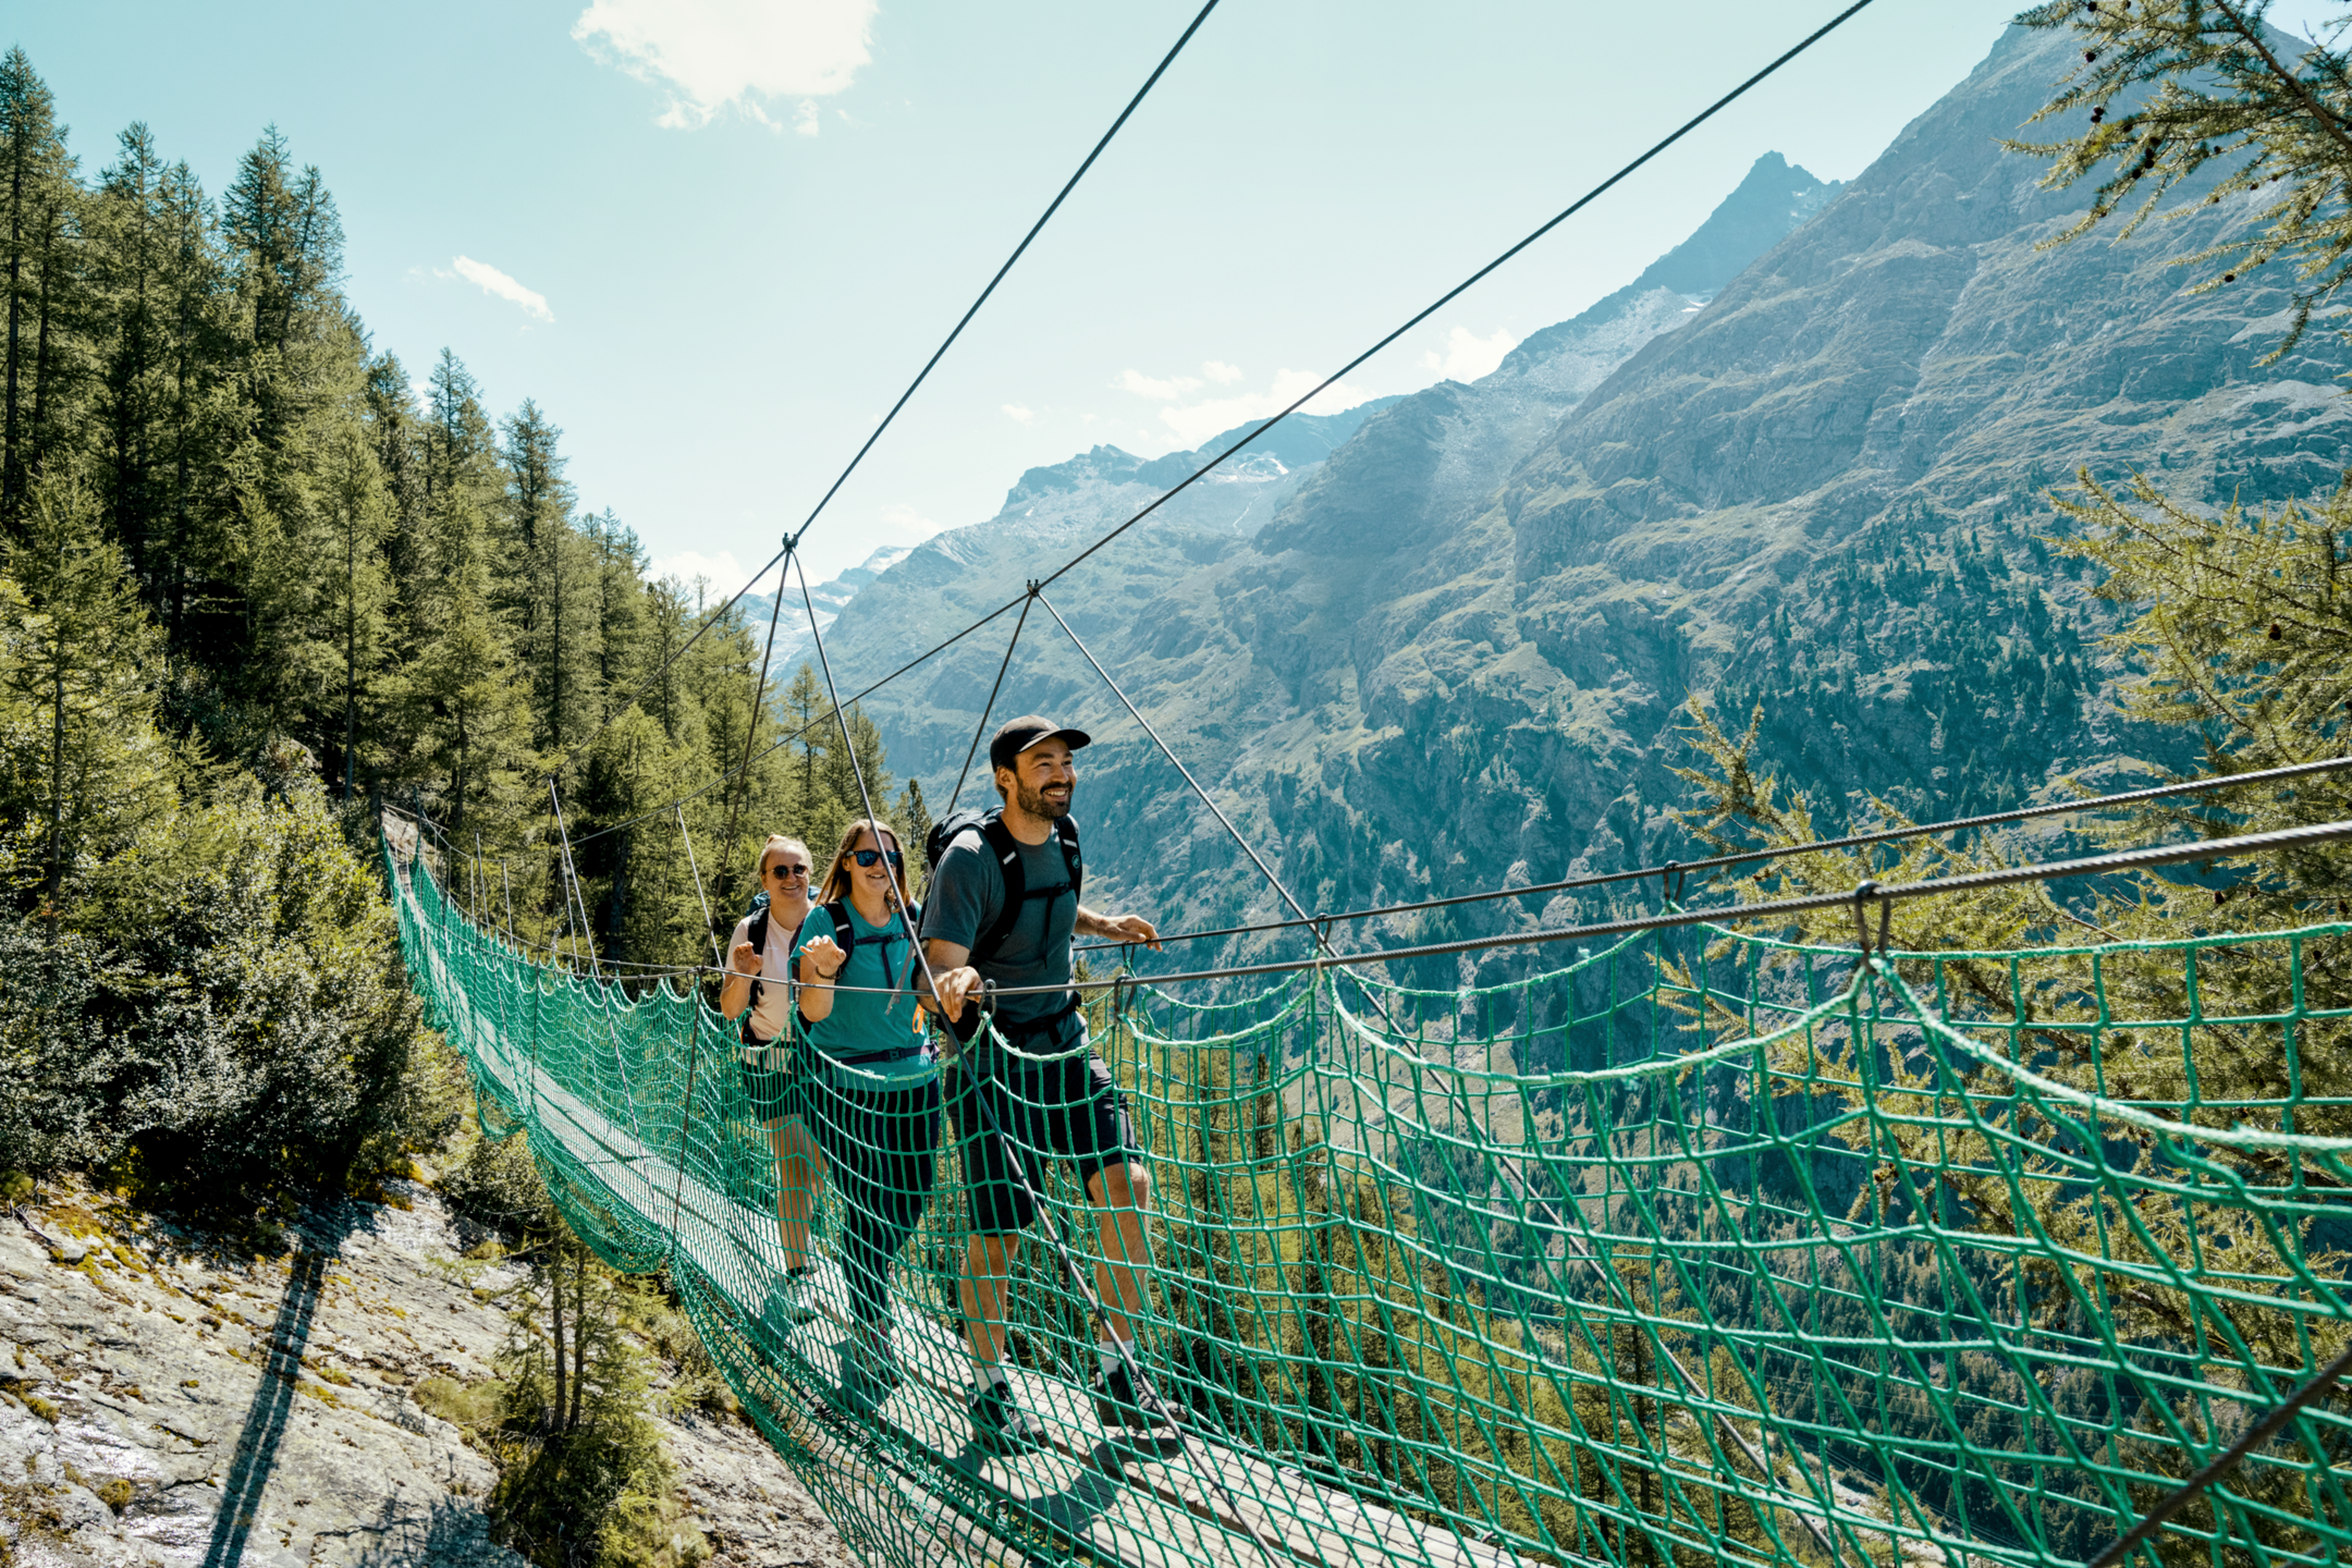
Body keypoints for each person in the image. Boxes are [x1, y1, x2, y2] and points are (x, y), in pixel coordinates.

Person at [920, 715, 1173, 1454]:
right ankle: (987, 1385)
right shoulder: (968, 859)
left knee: (1128, 1183)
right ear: (1006, 777)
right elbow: (940, 967)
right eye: (1044, 763)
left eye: (1066, 761)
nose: (1061, 773)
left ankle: (1118, 1373)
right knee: (999, 1232)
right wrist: (957, 980)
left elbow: (1050, 912)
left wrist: (1106, 924)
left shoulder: (1066, 836)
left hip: (1066, 1043)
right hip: (990, 1063)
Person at [792, 816, 940, 1404]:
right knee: (867, 1204)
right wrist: (823, 968)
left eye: (890, 857)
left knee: (910, 1198)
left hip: (915, 1076)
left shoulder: (917, 918)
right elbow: (816, 1012)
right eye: (867, 858)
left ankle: (866, 1284)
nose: (881, 867)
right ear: (846, 865)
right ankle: (872, 1325)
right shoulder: (826, 923)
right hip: (845, 1080)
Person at [717, 834, 824, 1330]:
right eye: (779, 872)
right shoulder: (751, 929)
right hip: (770, 1059)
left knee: (824, 1166)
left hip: (825, 1058)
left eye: (798, 869)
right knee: (798, 1164)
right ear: (764, 880)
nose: (791, 879)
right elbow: (731, 1009)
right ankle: (800, 1273)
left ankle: (814, 1253)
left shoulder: (828, 920)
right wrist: (742, 973)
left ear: (811, 872)